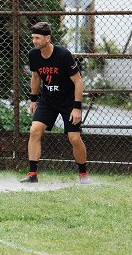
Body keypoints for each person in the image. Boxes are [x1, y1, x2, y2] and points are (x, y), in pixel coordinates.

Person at [21, 22, 90, 184]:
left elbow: (78, 81)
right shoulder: (34, 55)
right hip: (47, 100)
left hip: (68, 101)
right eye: (33, 38)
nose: (34, 41)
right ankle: (32, 175)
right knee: (35, 130)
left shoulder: (63, 55)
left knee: (74, 138)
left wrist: (77, 108)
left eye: (37, 38)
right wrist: (33, 99)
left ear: (48, 38)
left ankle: (83, 175)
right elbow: (36, 77)